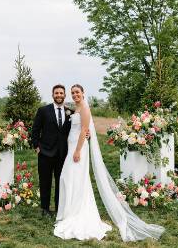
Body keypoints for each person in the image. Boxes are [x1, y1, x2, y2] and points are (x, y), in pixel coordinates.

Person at [54, 84, 165, 242]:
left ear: (83, 93)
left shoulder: (84, 108)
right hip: (72, 145)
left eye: (77, 92)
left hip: (78, 148)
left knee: (72, 177)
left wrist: (78, 150)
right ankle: (70, 211)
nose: (75, 94)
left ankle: (76, 212)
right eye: (72, 93)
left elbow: (84, 129)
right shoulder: (75, 108)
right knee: (69, 178)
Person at [31, 84, 73, 217]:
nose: (59, 95)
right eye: (56, 93)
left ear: (65, 95)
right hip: (45, 153)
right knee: (45, 181)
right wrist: (36, 146)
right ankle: (45, 208)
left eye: (61, 93)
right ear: (52, 95)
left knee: (60, 182)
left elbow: (75, 131)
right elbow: (35, 130)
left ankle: (59, 208)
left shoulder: (70, 112)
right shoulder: (43, 110)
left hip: (62, 153)